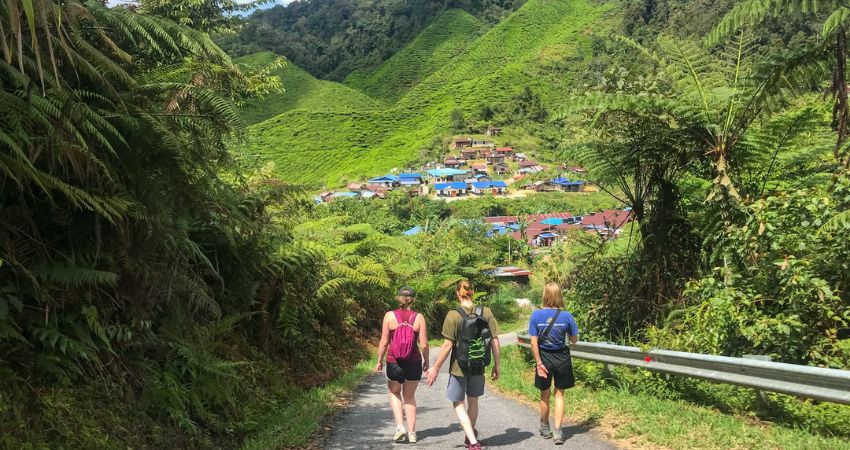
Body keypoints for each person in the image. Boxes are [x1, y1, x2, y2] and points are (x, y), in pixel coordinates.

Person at [426, 279, 500, 450]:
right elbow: (494, 341)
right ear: (473, 292)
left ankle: (473, 441)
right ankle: (469, 435)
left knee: (458, 403)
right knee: (473, 401)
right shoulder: (486, 312)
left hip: (459, 367)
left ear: (457, 293)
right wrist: (497, 365)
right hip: (479, 365)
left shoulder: (453, 315)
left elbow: (447, 345)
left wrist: (435, 367)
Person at [375, 286, 429, 444]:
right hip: (414, 362)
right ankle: (412, 433)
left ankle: (400, 427)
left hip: (394, 362)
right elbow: (424, 345)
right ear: (413, 300)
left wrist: (379, 360)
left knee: (394, 393)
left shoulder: (389, 316)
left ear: (398, 298)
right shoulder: (419, 317)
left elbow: (384, 342)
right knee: (409, 397)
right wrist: (426, 361)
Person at [528, 282, 578, 445]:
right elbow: (574, 340)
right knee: (559, 394)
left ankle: (544, 426)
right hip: (562, 358)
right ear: (559, 296)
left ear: (545, 295)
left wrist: (538, 363)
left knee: (545, 393)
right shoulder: (567, 316)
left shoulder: (536, 315)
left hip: (543, 358)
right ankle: (558, 431)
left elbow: (533, 343)